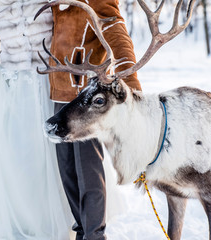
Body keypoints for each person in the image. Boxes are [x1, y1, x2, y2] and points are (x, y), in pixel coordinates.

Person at [0, 0, 72, 239]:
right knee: (20, 159)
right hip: (17, 93)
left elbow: (68, 29)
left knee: (54, 158)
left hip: (51, 86)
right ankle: (24, 224)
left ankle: (60, 222)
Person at [44, 1, 142, 239]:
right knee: (67, 171)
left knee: (88, 171)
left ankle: (95, 235)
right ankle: (82, 231)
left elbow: (115, 28)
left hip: (87, 98)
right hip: (60, 94)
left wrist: (130, 80)